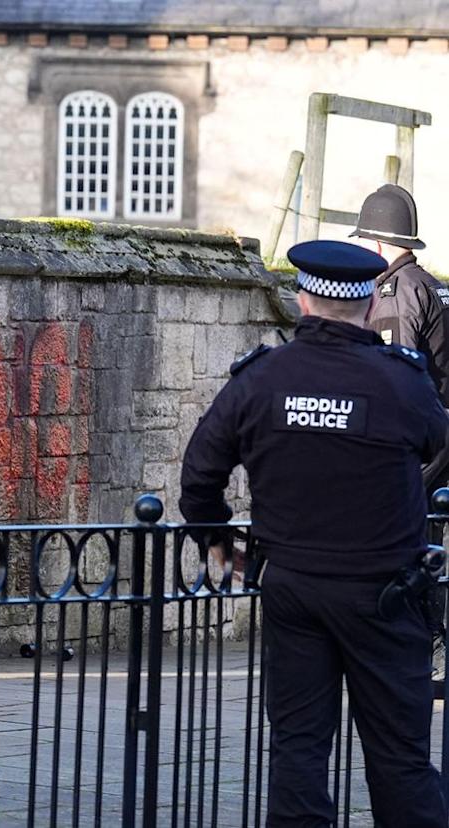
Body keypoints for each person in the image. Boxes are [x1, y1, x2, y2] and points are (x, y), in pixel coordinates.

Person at [180, 239, 449, 827]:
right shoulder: (401, 382)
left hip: (293, 588)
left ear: (302, 299)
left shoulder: (262, 379)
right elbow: (436, 442)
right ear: (365, 305)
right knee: (400, 759)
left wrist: (218, 543)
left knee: (298, 749)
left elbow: (201, 470)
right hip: (384, 593)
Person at [353, 183, 449, 685]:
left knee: (411, 535)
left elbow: (399, 371)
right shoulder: (432, 284)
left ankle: (427, 648)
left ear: (374, 244)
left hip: (422, 436)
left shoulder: (395, 292)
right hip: (441, 429)